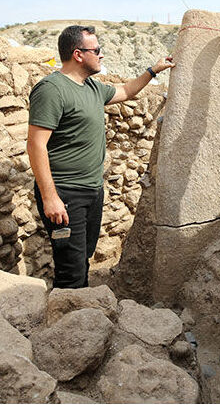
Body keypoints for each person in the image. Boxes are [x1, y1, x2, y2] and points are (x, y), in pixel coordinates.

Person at [26, 25, 175, 288]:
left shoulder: (92, 87)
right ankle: (68, 321)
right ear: (78, 54)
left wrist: (153, 71)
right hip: (65, 192)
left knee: (82, 258)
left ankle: (79, 314)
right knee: (70, 270)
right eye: (97, 50)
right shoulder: (52, 89)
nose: (101, 55)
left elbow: (127, 91)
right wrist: (50, 197)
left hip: (92, 190)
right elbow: (36, 145)